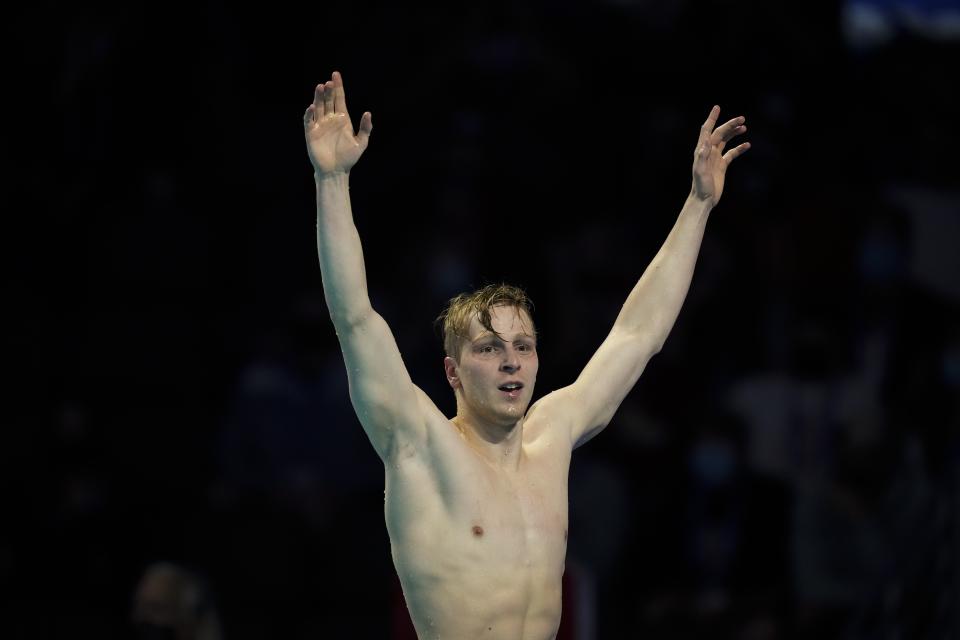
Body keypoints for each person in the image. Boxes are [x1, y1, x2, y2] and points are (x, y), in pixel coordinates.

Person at [303, 70, 749, 640]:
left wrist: (698, 206)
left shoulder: (553, 434)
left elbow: (637, 335)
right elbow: (355, 318)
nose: (512, 361)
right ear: (452, 372)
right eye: (489, 349)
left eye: (523, 346)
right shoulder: (419, 442)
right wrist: (332, 180)